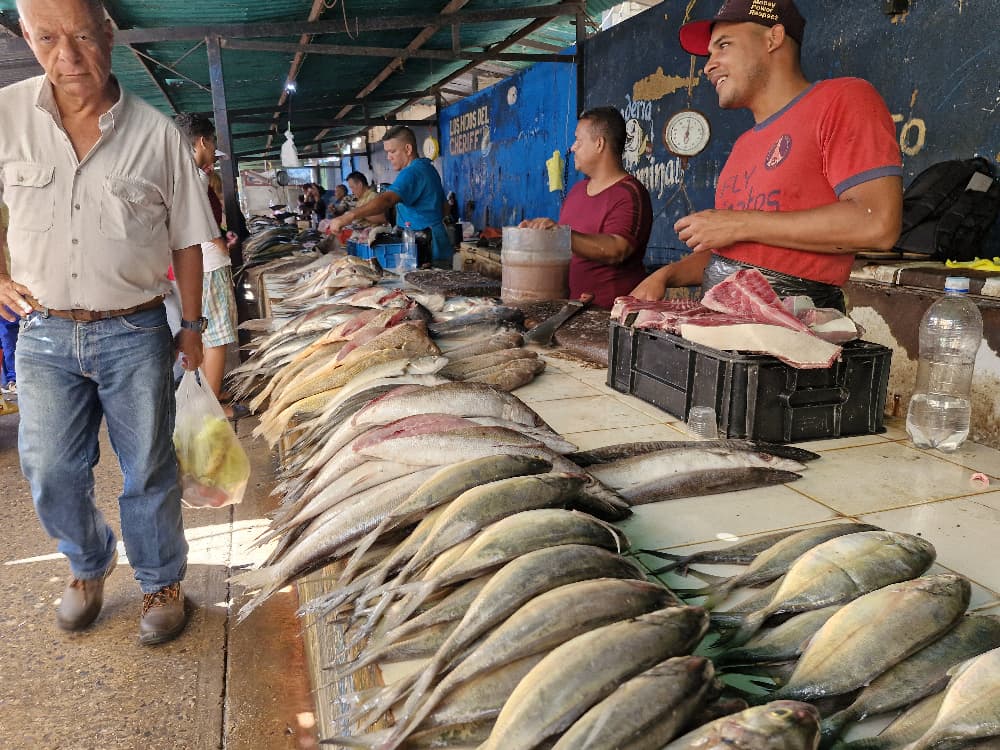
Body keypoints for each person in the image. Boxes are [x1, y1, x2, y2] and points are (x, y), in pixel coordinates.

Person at [0, 0, 218, 645]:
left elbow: (187, 241)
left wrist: (194, 326)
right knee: (48, 467)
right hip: (42, 330)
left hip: (135, 329)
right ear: (24, 37)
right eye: (46, 39)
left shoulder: (157, 135)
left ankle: (160, 580)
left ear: (110, 35)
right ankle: (88, 563)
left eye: (83, 36)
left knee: (147, 465)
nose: (67, 56)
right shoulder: (6, 114)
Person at [630, 0, 903, 311]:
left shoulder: (843, 99)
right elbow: (739, 248)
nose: (708, 65)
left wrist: (739, 223)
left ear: (772, 38)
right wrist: (667, 274)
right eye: (709, 54)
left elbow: (878, 224)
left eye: (724, 45)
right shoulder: (744, 145)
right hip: (725, 325)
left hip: (794, 334)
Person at [521, 107, 653, 309]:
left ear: (599, 144)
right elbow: (569, 246)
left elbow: (616, 249)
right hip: (573, 308)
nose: (573, 148)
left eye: (578, 141)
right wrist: (539, 234)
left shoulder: (629, 194)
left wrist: (561, 234)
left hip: (611, 316)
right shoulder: (577, 191)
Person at [173, 112, 245, 421]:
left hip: (189, 268)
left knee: (203, 334)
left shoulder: (177, 174)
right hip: (209, 266)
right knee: (217, 339)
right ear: (203, 141)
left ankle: (208, 393)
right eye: (213, 142)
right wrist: (222, 244)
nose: (213, 149)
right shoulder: (197, 177)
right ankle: (214, 409)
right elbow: (203, 228)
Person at [328, 126, 450, 264]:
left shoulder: (412, 172)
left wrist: (348, 217)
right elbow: (445, 208)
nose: (388, 157)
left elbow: (387, 200)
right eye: (387, 152)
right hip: (438, 242)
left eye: (392, 151)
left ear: (408, 149)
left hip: (427, 248)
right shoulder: (428, 168)